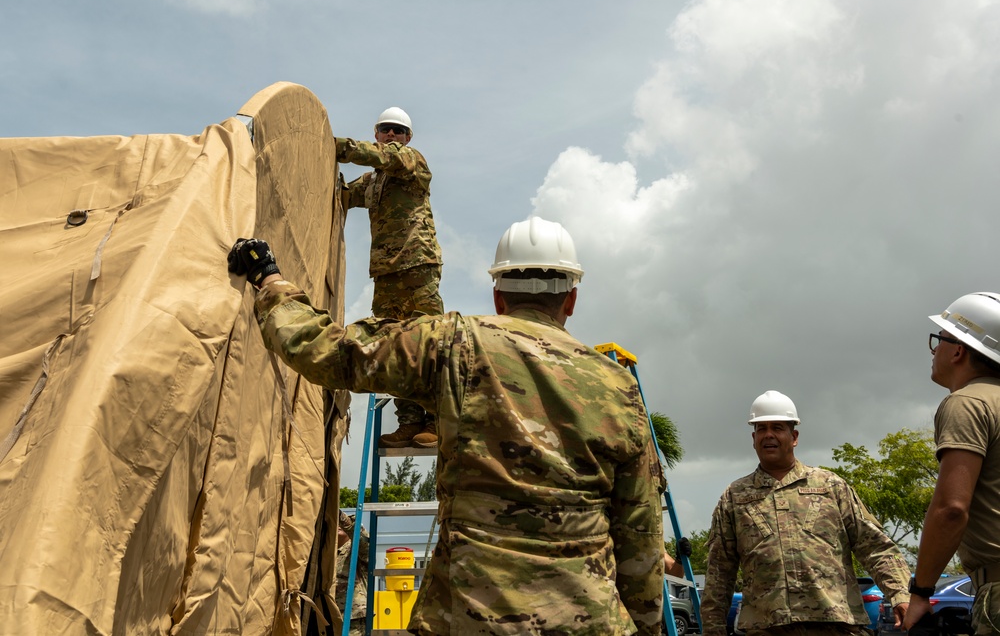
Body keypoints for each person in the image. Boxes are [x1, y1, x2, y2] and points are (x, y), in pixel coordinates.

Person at [227, 217, 666, 635]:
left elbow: (328, 352)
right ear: (571, 299)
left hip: (470, 617)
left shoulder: (453, 343)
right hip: (589, 621)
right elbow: (641, 536)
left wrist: (269, 280)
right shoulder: (618, 386)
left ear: (498, 295)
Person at [701, 390, 911, 636]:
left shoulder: (830, 486)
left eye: (777, 427)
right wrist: (713, 629)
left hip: (836, 626)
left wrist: (900, 593)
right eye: (761, 428)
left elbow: (875, 546)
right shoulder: (735, 497)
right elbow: (719, 573)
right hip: (767, 628)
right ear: (753, 437)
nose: (768, 435)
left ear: (794, 436)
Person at [337, 106, 443, 449]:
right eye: (386, 129)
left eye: (399, 130)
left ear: (408, 137)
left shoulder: (411, 160)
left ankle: (436, 420)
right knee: (394, 347)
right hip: (386, 274)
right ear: (377, 131)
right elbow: (342, 196)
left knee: (426, 344)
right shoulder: (372, 182)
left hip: (417, 266)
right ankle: (409, 423)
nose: (393, 135)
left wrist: (338, 147)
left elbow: (382, 156)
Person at [903, 292, 1000, 634]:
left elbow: (952, 509)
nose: (934, 351)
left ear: (958, 350)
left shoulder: (968, 403)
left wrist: (920, 594)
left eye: (939, 340)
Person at [333, 510, 369, 636]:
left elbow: (363, 539)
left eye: (341, 523)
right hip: (330, 617)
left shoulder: (357, 550)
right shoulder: (327, 553)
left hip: (354, 619)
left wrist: (341, 517)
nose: (339, 525)